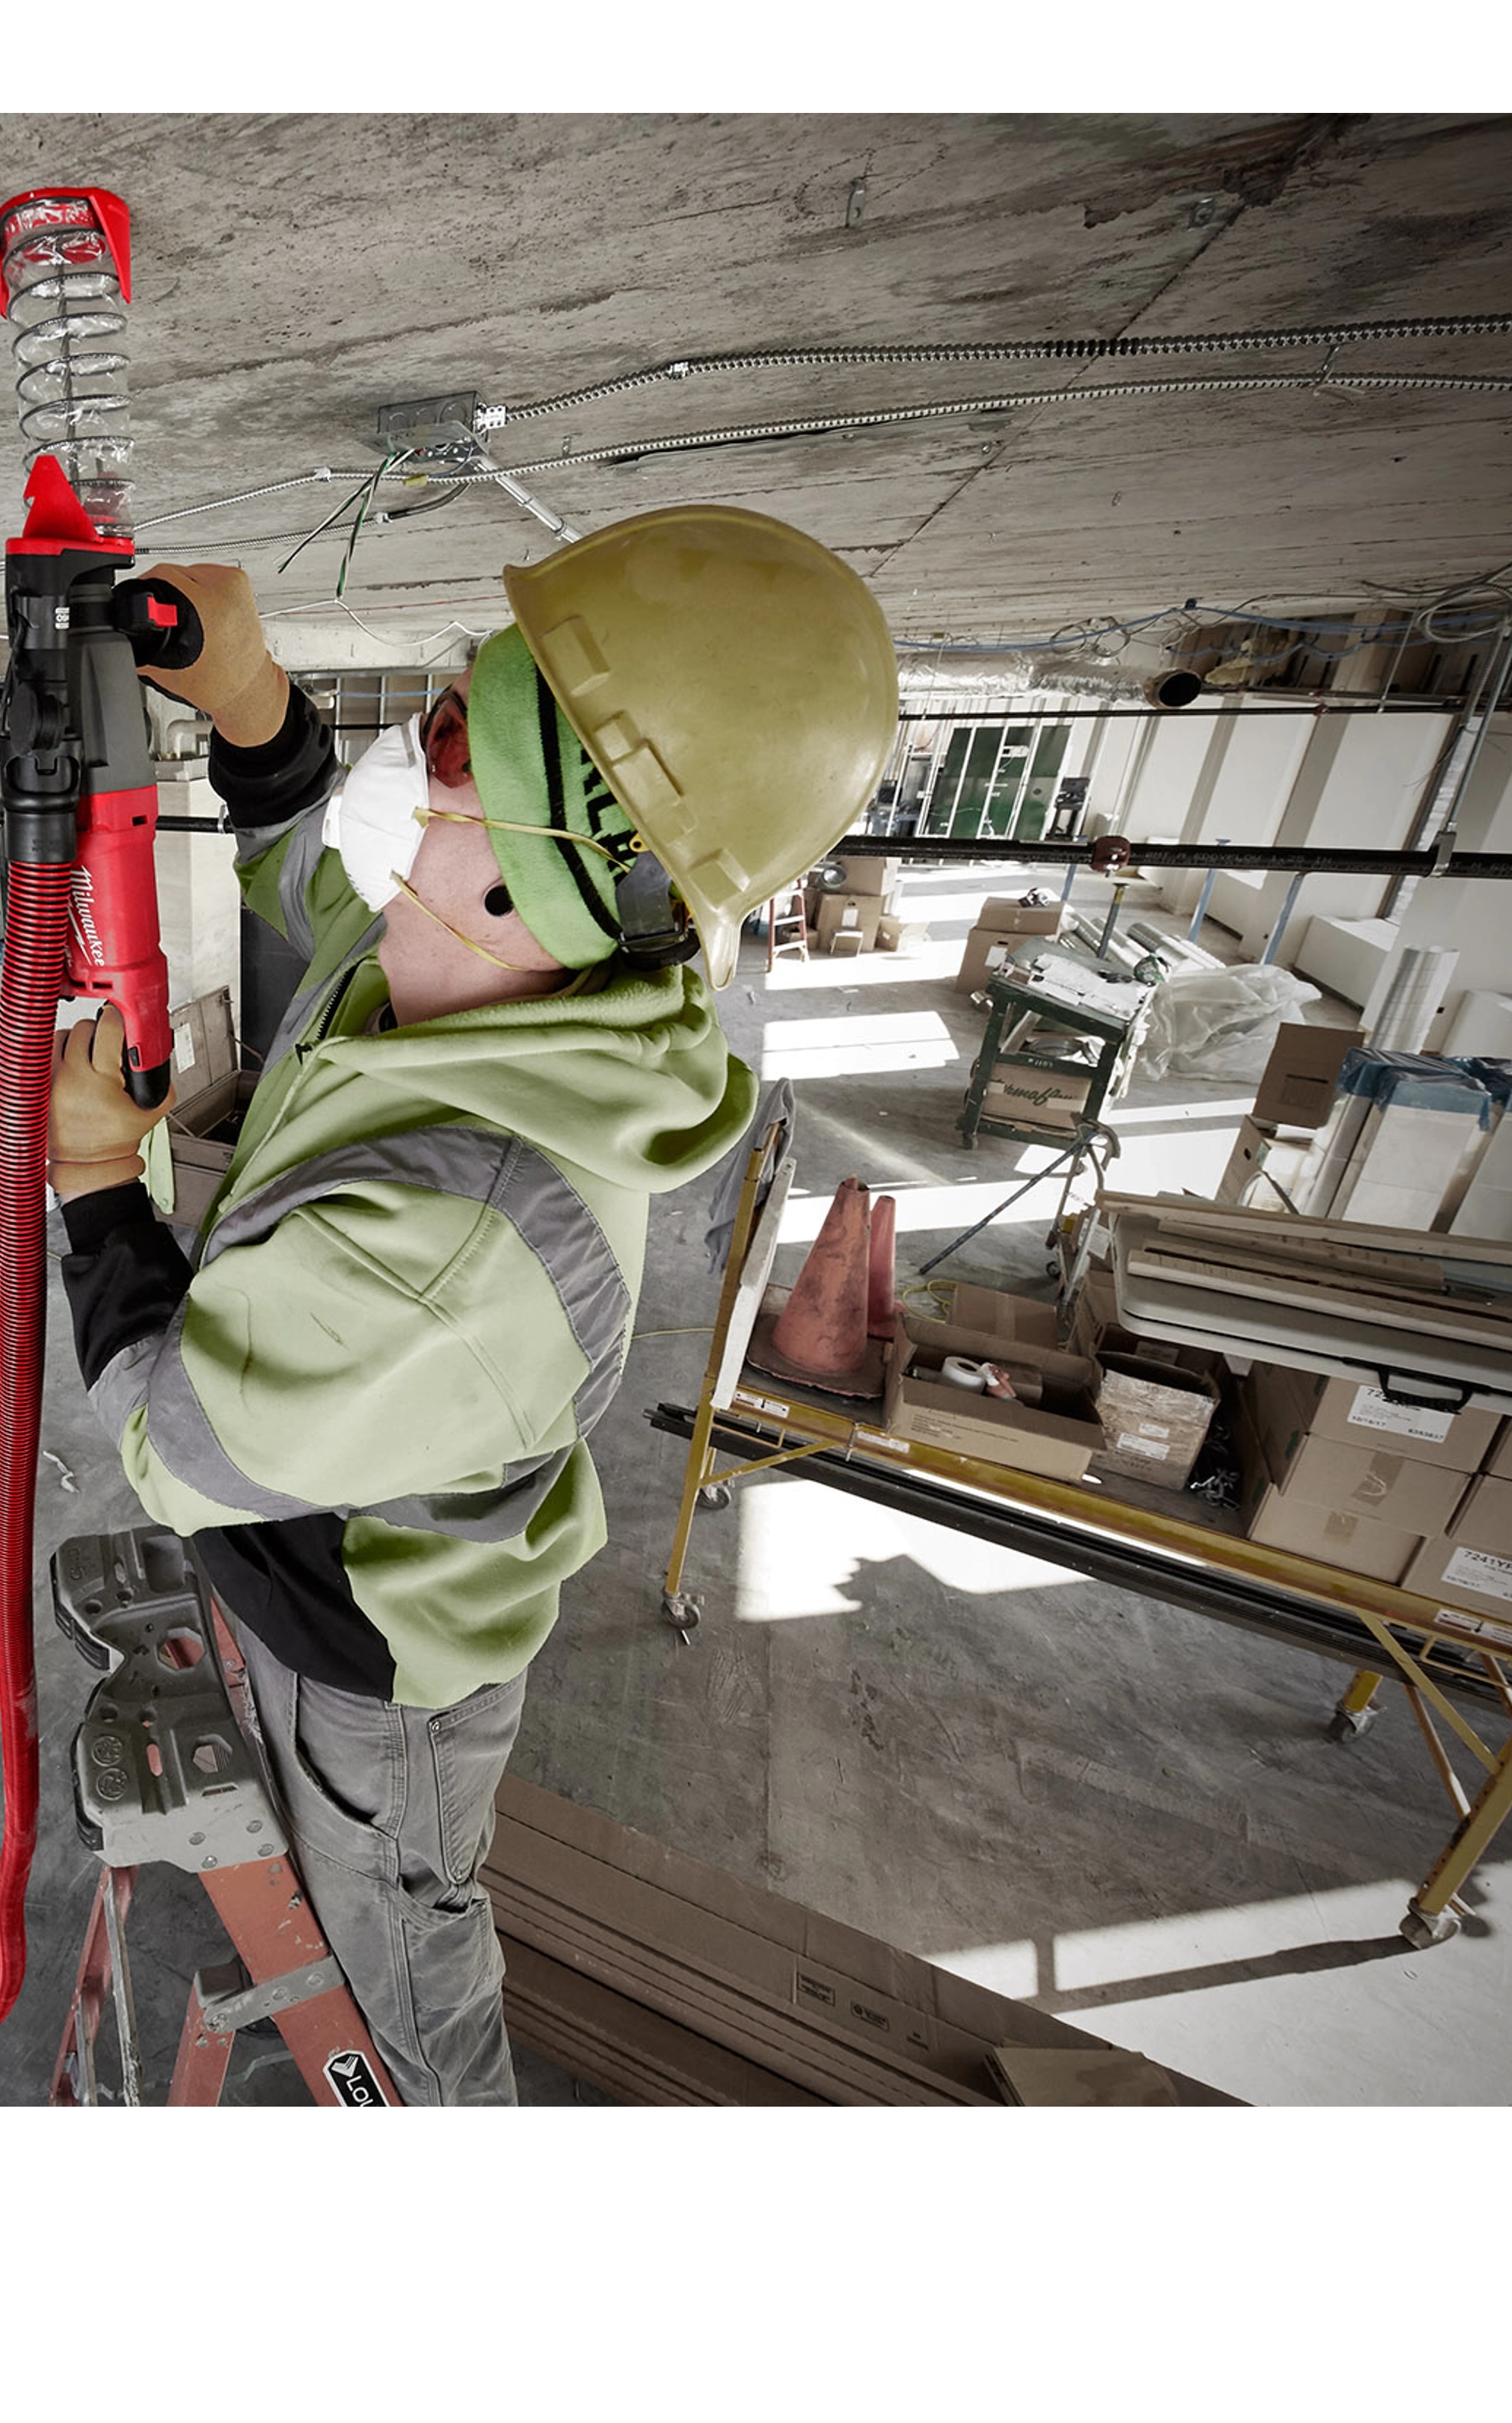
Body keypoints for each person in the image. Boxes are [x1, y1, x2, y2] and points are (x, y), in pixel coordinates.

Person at [48, 507, 897, 2106]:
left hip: (376, 1665)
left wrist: (96, 1187)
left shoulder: (461, 1229)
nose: (409, 765)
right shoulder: (474, 984)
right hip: (320, 1547)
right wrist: (255, 716)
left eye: (448, 744)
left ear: (536, 887)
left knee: (404, 1981)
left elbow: (173, 1438)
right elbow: (322, 912)